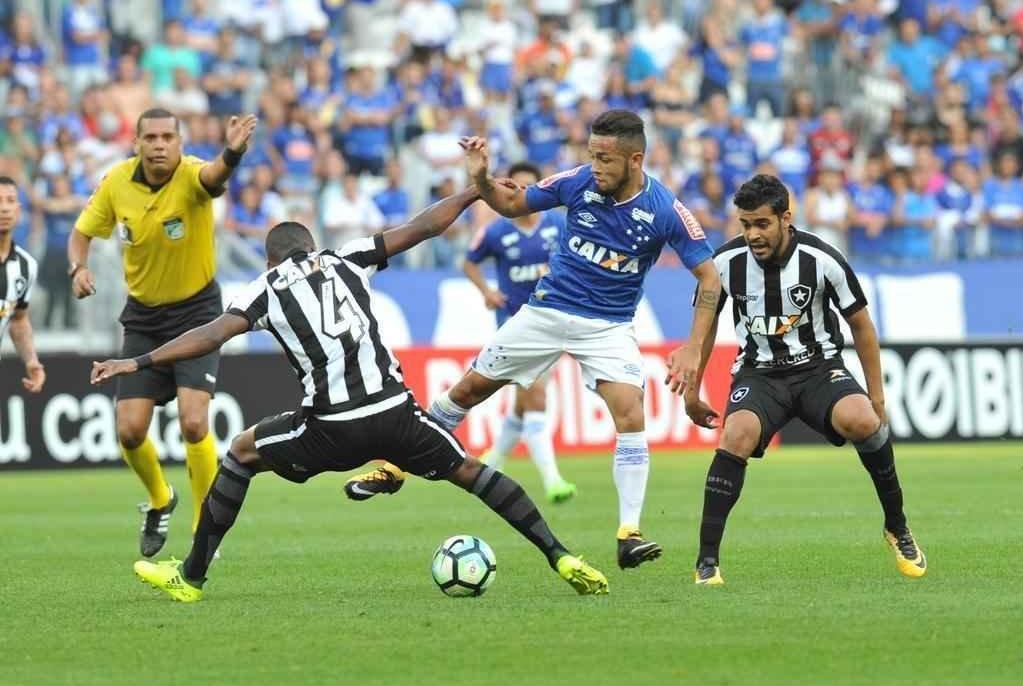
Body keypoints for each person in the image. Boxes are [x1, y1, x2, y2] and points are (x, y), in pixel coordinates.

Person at [90, 189, 609, 602]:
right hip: (396, 414)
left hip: (331, 426)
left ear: (273, 258)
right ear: (310, 246)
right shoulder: (348, 257)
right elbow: (426, 226)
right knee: (472, 472)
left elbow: (212, 334)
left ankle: (191, 577)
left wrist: (138, 361)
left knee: (242, 452)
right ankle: (561, 556)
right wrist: (474, 192)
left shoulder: (264, 287)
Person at [349, 110, 721, 571]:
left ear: (635, 159)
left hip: (607, 326)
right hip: (545, 312)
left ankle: (629, 534)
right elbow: (511, 205)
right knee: (466, 392)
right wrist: (482, 178)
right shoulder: (578, 182)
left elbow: (709, 278)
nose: (596, 166)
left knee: (631, 413)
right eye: (592, 155)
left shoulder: (665, 210)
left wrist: (690, 346)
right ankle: (394, 467)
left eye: (605, 158)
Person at [681, 174, 926, 585]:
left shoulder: (822, 258)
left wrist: (877, 397)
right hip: (760, 373)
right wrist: (692, 392)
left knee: (865, 421)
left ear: (785, 219)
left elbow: (862, 326)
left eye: (762, 224)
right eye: (745, 225)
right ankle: (707, 560)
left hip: (818, 370)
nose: (753, 235)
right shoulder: (723, 265)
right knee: (735, 435)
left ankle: (897, 527)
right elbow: (703, 330)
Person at [69, 108, 257, 558]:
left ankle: (203, 530)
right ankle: (159, 499)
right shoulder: (116, 183)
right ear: (136, 142)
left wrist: (232, 152)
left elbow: (214, 178)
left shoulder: (192, 175)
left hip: (197, 312)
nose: (158, 144)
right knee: (130, 432)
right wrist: (79, 266)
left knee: (194, 422)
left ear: (179, 142)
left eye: (167, 137)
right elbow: (81, 233)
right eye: (149, 136)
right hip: (144, 318)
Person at [462, 162, 576, 502]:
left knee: (523, 403)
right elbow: (469, 261)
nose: (522, 193)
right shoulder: (497, 232)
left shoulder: (557, 223)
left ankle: (491, 463)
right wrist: (486, 292)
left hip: (555, 320)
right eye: (516, 187)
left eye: (530, 187)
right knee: (536, 395)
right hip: (515, 325)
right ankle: (553, 481)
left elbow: (578, 255)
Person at [0, 175, 44, 393]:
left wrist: (31, 361)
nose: (4, 208)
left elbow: (18, 320)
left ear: (19, 210)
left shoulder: (26, 267)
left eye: (10, 201)